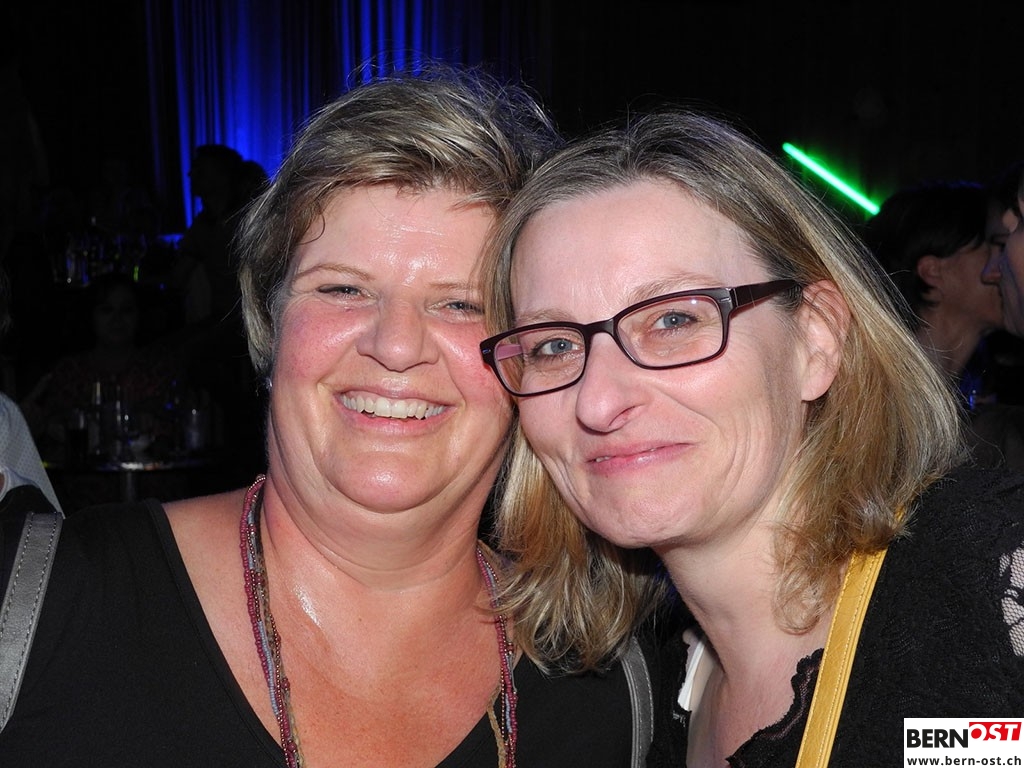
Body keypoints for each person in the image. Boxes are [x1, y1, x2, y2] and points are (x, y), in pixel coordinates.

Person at [0, 67, 650, 767]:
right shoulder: (34, 602)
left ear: (530, 359)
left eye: (462, 304)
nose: (395, 345)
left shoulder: (612, 687)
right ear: (270, 324)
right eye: (343, 289)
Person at [478, 110, 1024, 766]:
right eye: (554, 345)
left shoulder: (989, 592)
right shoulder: (635, 692)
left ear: (815, 340)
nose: (598, 401)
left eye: (674, 319)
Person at [861, 179, 1002, 399]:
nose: (1004, 265)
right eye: (996, 246)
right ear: (933, 272)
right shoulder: (875, 397)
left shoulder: (979, 398)